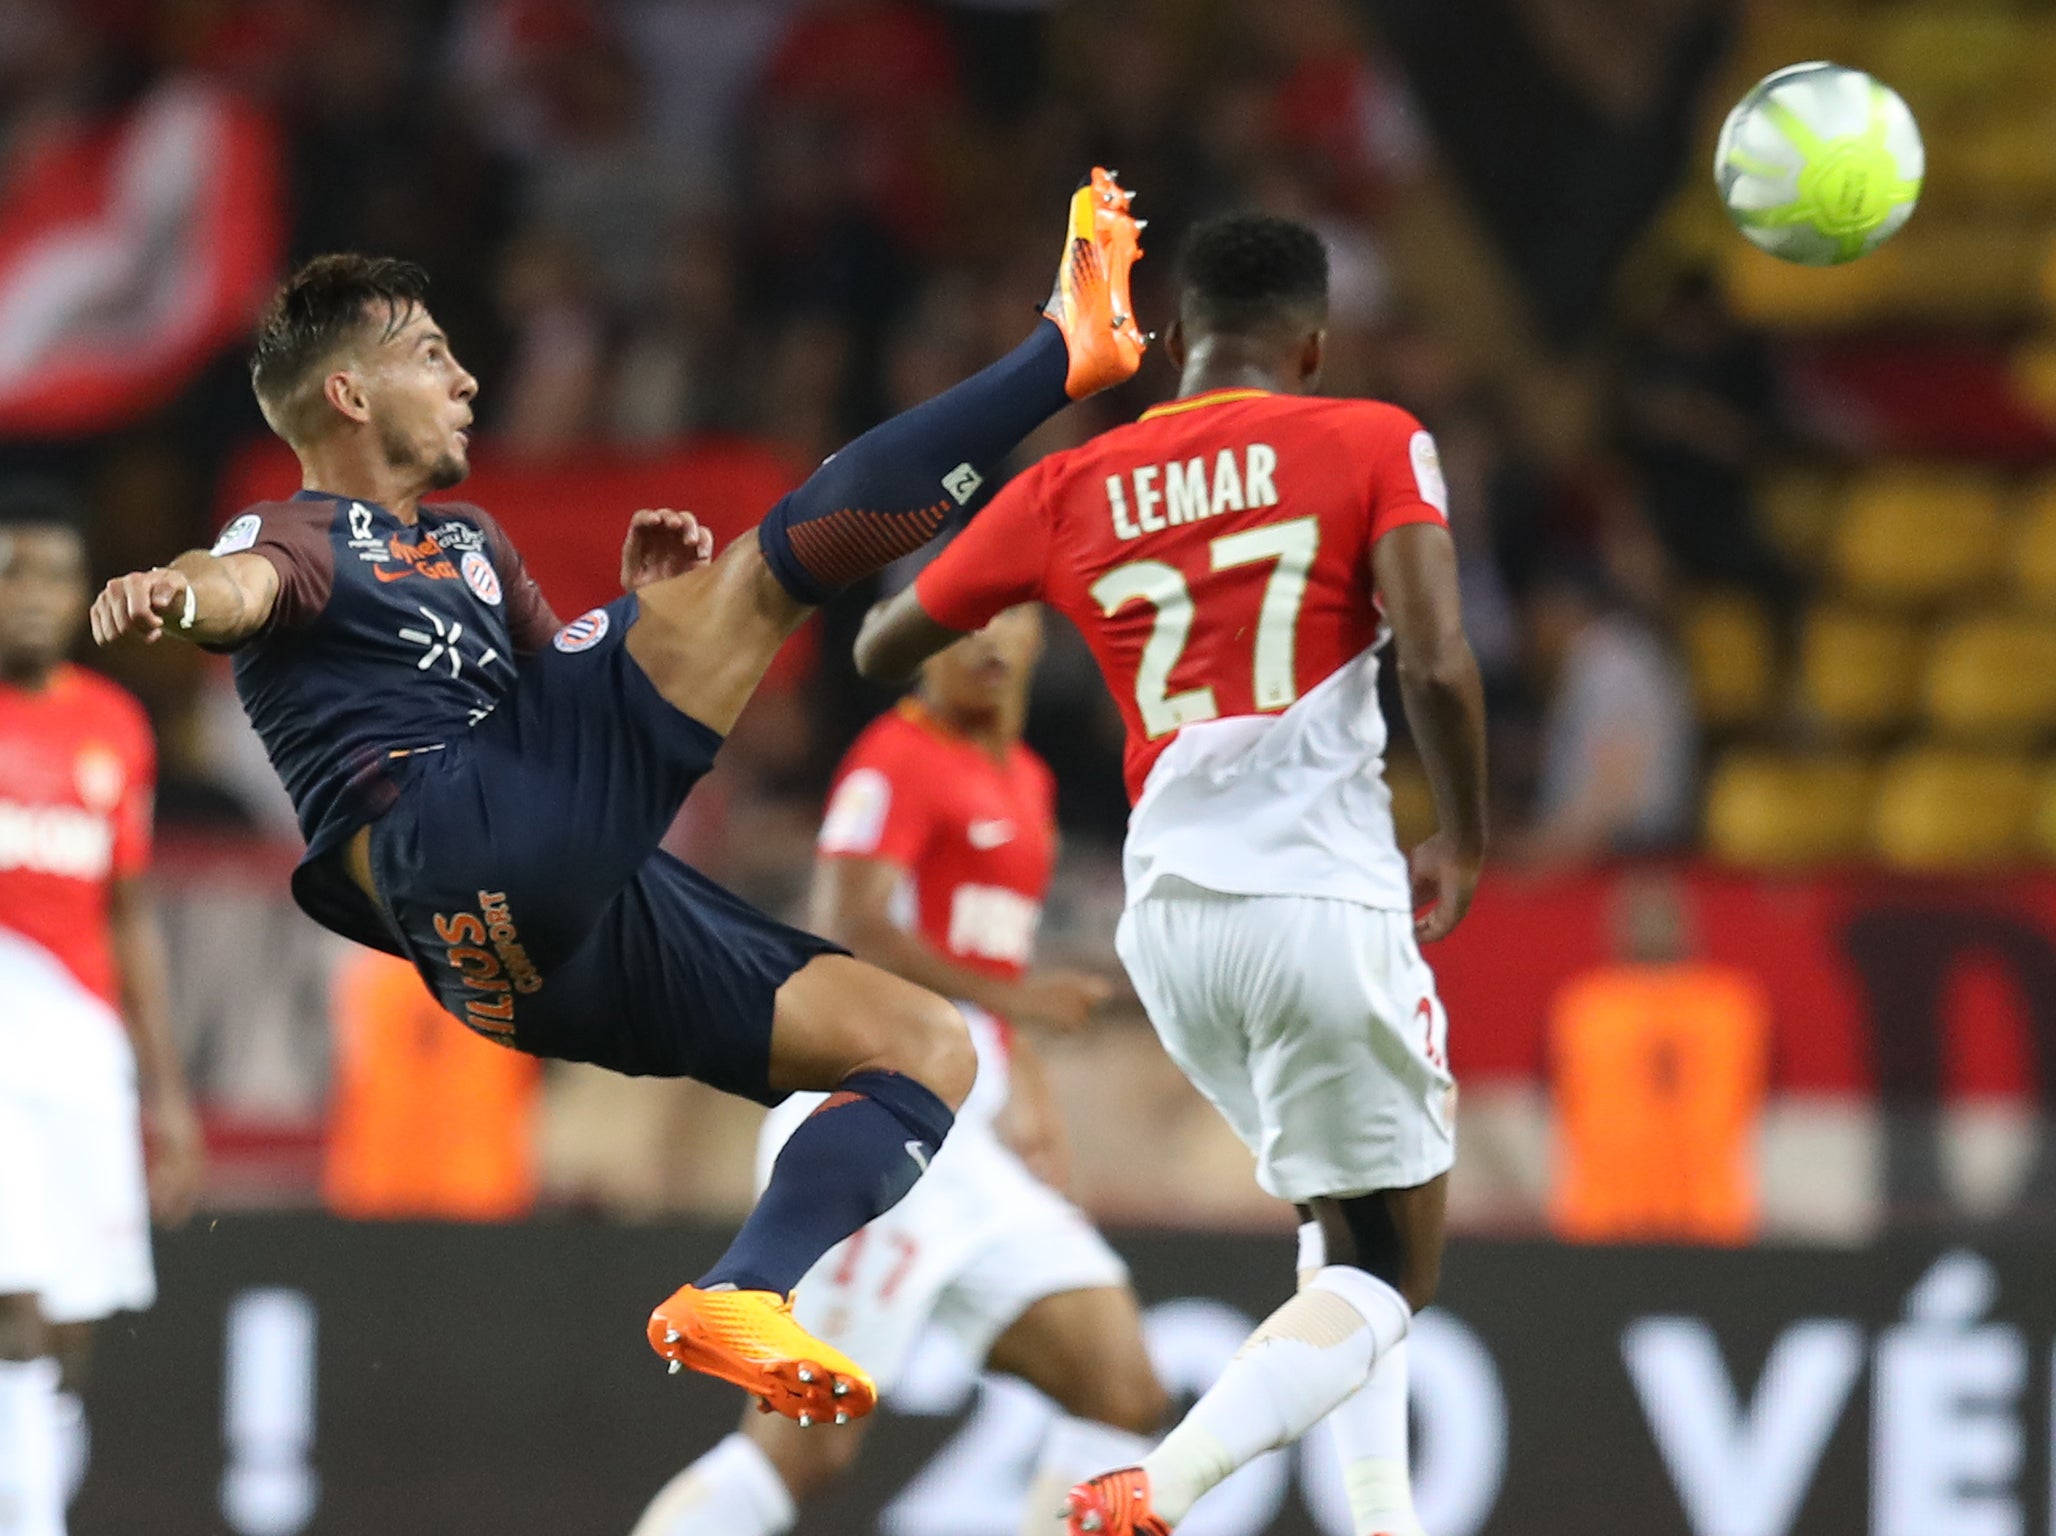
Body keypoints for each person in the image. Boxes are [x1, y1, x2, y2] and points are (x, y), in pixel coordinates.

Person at [90, 170, 1147, 1427]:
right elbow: (244, 587)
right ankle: (1064, 354)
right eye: (433, 356)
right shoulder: (305, 532)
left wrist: (650, 609)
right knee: (770, 573)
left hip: (525, 953)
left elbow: (559, 702)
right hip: (450, 842)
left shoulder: (473, 544)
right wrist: (177, 590)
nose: (467, 380)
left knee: (920, 1044)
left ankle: (741, 1291)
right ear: (350, 393)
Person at [856, 213, 1489, 1536]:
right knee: (1394, 1269)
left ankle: (1386, 1526)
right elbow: (1435, 660)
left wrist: (1005, 521)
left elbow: (881, 641)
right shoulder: (1373, 438)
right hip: (1319, 898)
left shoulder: (1071, 484)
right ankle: (1160, 1486)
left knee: (1341, 1216)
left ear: (1182, 342)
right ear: (1310, 344)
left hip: (1173, 930)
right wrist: (1469, 834)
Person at [633, 605, 1167, 1536]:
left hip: (973, 1141)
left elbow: (984, 965)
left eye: (1009, 622)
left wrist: (1026, 1080)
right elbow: (850, 925)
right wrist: (1026, 1002)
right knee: (802, 1454)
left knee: (1121, 1388)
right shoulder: (895, 760)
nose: (989, 643)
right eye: (962, 624)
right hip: (887, 1127)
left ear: (1043, 638)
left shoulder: (1027, 778)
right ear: (919, 645)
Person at [0, 484, 205, 1535]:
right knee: (18, 1292)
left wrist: (164, 1098)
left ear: (82, 595)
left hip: (82, 1054)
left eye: (51, 576)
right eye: (10, 574)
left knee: (73, 1307)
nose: (30, 596)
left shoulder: (115, 729)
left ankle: (34, 1488)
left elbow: (129, 917)